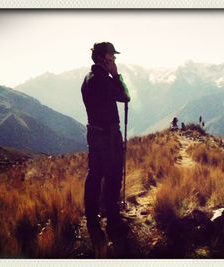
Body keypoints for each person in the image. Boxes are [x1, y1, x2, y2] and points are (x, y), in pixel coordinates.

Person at [81, 42, 130, 257]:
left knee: (94, 176)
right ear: (104, 58)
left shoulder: (87, 79)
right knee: (112, 177)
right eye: (112, 57)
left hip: (93, 132)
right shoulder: (104, 80)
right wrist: (116, 75)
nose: (115, 60)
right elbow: (125, 96)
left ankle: (92, 220)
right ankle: (114, 223)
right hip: (109, 136)